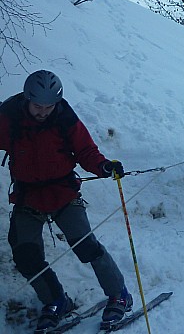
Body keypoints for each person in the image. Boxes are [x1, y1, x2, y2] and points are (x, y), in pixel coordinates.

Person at [0, 70, 132, 331]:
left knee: (86, 245)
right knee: (25, 254)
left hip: (63, 192)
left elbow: (85, 150)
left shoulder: (63, 116)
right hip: (28, 196)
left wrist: (104, 166)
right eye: (38, 106)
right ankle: (56, 301)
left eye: (49, 106)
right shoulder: (9, 116)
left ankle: (119, 295)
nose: (43, 111)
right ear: (27, 98)